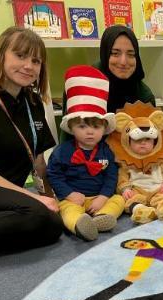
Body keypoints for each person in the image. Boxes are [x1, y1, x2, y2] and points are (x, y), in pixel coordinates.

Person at [0, 27, 62, 256]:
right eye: (20, 56)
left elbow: (38, 163)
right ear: (1, 55)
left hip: (6, 197)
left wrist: (55, 198)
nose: (28, 65)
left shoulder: (33, 102)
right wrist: (31, 197)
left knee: (53, 224)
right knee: (35, 213)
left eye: (36, 61)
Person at [47, 65, 125, 241]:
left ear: (104, 128)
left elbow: (111, 177)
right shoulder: (62, 151)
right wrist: (69, 194)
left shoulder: (106, 151)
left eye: (96, 127)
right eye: (82, 126)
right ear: (72, 128)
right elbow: (54, 175)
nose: (90, 132)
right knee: (67, 210)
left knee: (118, 200)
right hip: (74, 198)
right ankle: (79, 224)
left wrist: (103, 198)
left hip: (99, 197)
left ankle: (102, 218)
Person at [107, 101, 163, 224]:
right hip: (137, 190)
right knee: (131, 199)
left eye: (148, 139)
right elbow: (122, 177)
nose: (143, 143)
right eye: (138, 140)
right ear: (128, 142)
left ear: (155, 141)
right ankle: (141, 211)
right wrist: (125, 189)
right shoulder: (125, 161)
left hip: (159, 189)